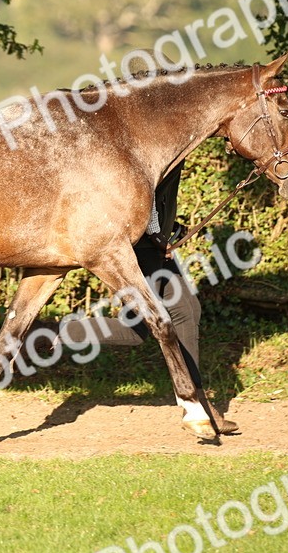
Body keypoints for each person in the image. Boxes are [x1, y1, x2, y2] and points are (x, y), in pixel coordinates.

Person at [60, 161, 239, 434]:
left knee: (172, 316)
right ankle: (197, 404)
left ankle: (57, 332)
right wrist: (156, 234)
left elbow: (158, 194)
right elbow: (138, 182)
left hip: (155, 239)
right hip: (140, 243)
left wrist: (170, 230)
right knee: (162, 321)